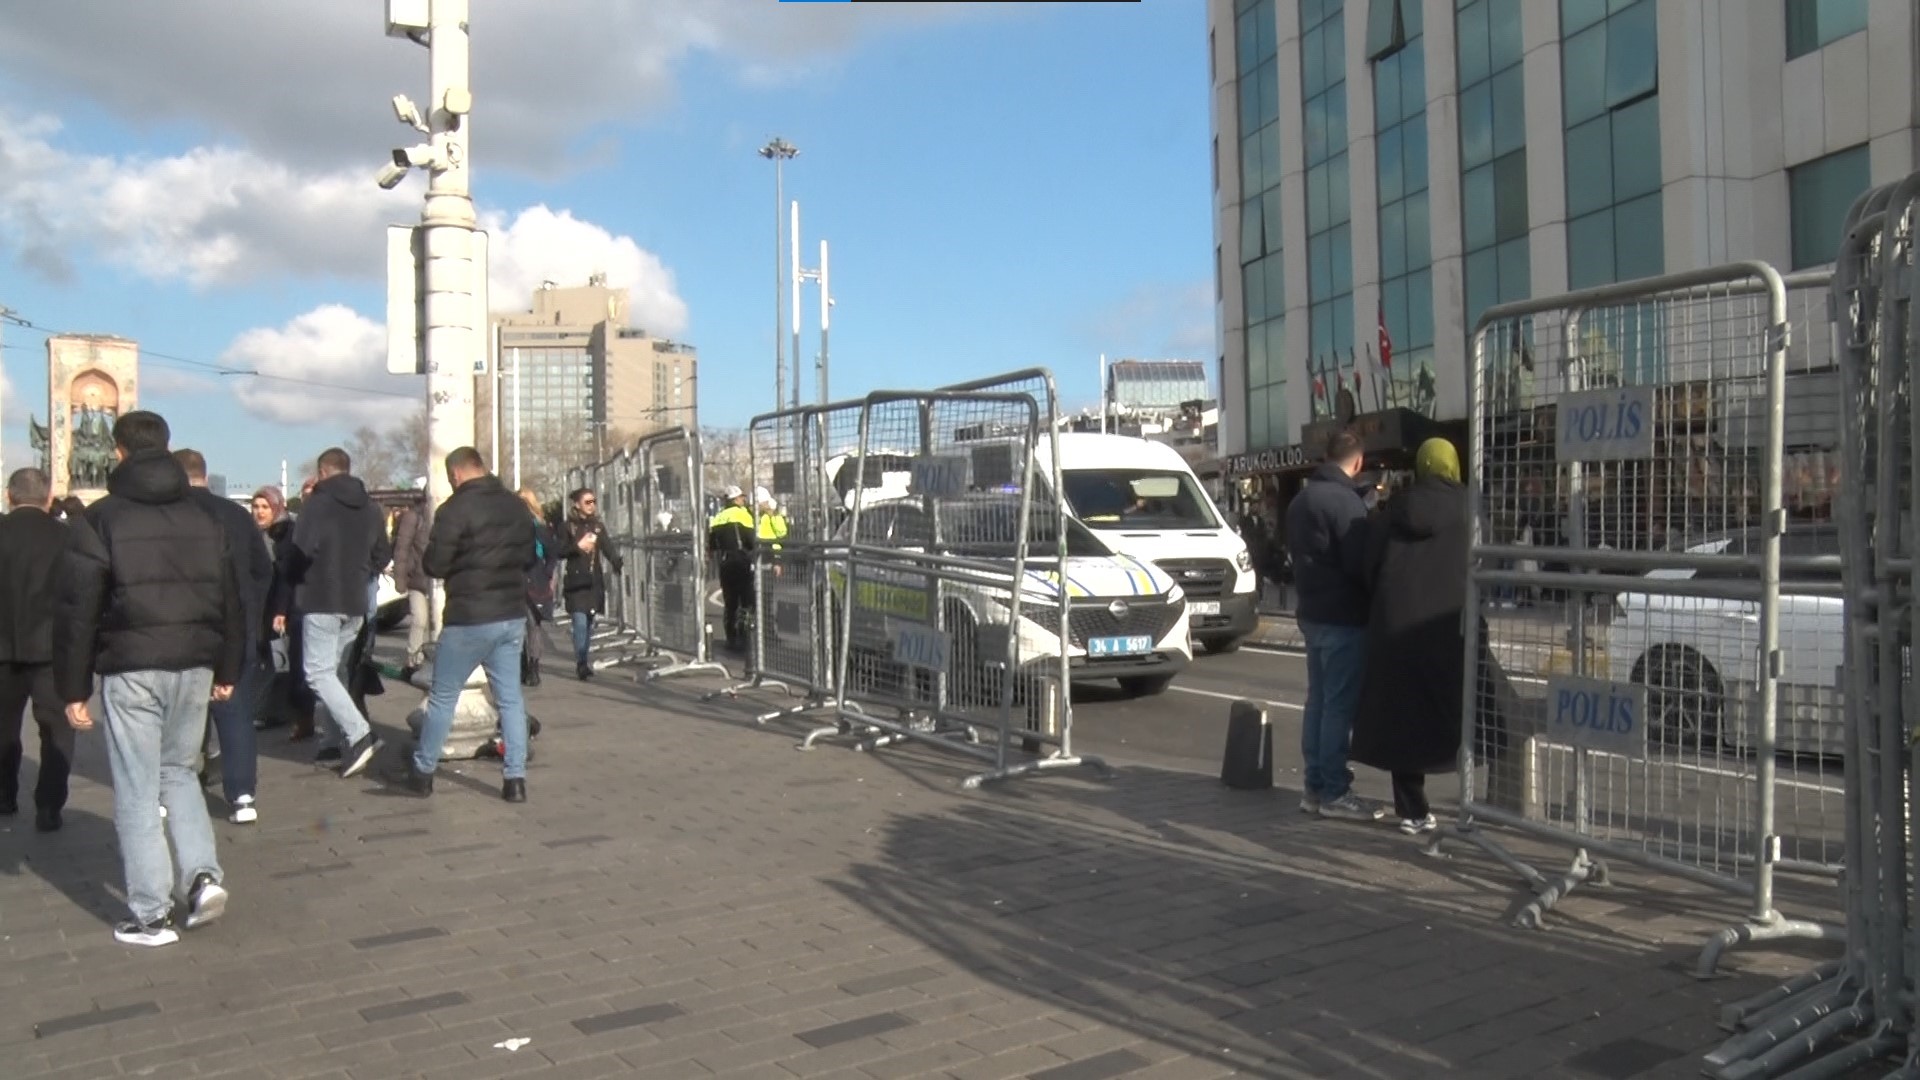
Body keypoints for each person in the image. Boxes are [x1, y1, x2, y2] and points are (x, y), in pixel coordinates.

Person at [53, 411, 245, 947]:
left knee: (137, 788)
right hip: (196, 663)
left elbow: (78, 608)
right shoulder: (208, 519)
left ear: (118, 453)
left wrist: (72, 688)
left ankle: (150, 913)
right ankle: (202, 877)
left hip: (132, 665)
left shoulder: (101, 519)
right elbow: (231, 599)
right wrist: (228, 669)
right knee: (180, 772)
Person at [386, 448, 535, 802]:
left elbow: (435, 563)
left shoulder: (454, 510)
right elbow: (529, 556)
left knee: (443, 698)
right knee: (510, 699)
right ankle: (515, 780)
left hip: (469, 616)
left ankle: (423, 772)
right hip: (510, 614)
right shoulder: (516, 506)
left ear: (455, 475)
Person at [1350, 438, 1472, 834]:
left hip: (1397, 622)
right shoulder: (1471, 507)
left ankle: (1413, 810)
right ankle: (1473, 806)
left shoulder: (1394, 510)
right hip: (1450, 621)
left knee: (1404, 717)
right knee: (1467, 706)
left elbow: (1369, 563)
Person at [272, 448, 391, 779]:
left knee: (317, 673)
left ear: (323, 472)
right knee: (334, 673)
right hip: (354, 602)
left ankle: (359, 734)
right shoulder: (370, 508)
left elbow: (299, 552)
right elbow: (383, 554)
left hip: (321, 597)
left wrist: (296, 580)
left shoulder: (317, 505)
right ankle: (335, 741)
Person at [1284, 429, 1385, 822]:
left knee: (1319, 701)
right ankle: (1334, 790)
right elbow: (1360, 564)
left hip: (1311, 612)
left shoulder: (1301, 501)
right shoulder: (1347, 503)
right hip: (1345, 616)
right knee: (1339, 706)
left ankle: (1313, 786)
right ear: (1358, 462)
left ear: (1325, 456)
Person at [174, 451, 274, 825]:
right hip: (237, 629)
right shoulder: (236, 515)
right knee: (235, 714)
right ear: (204, 475)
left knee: (182, 713)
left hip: (188, 631)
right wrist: (252, 612)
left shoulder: (171, 516)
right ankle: (242, 794)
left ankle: (178, 787)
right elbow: (263, 570)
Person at [0, 468, 78, 832]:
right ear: (48, 497)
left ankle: (3, 795)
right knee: (56, 729)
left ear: (8, 495)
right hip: (52, 649)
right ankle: (49, 804)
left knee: (3, 726)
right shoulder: (68, 538)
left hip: (2, 649)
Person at [560, 487, 622, 680]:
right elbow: (559, 551)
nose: (592, 505)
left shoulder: (597, 526)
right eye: (587, 502)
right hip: (576, 582)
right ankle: (581, 662)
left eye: (594, 501)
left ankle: (584, 658)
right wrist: (577, 547)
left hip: (593, 582)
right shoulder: (568, 526)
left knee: (588, 624)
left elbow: (607, 547)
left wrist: (616, 561)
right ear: (577, 505)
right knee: (579, 622)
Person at [518, 488, 563, 687]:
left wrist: (546, 572)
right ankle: (523, 666)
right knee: (519, 626)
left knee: (531, 625)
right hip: (515, 581)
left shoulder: (538, 528)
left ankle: (533, 666)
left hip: (534, 581)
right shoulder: (510, 527)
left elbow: (552, 553)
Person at [708, 485, 756, 653]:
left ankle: (731, 638)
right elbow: (751, 541)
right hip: (741, 561)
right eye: (742, 498)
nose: (744, 500)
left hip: (725, 562)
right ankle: (744, 638)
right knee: (746, 600)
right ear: (735, 499)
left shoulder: (718, 517)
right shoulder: (743, 515)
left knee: (730, 603)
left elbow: (712, 544)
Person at [390, 491, 433, 673]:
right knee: (419, 619)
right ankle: (413, 658)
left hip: (440, 579)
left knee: (438, 621)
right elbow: (402, 549)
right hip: (418, 578)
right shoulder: (414, 517)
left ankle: (433, 657)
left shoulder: (447, 514)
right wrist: (400, 579)